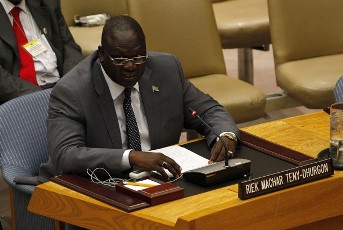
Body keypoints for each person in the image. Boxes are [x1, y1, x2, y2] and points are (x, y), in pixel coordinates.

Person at [37, 15, 239, 184]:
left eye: (138, 58)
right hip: (100, 184)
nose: (130, 66)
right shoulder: (73, 91)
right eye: (120, 59)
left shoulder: (166, 70)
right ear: (102, 55)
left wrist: (226, 135)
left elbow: (208, 110)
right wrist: (131, 157)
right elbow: (66, 155)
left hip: (159, 181)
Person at [0, 0, 84, 104]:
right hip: (20, 95)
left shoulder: (48, 3)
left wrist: (69, 84)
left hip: (62, 85)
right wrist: (43, 97)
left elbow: (69, 45)